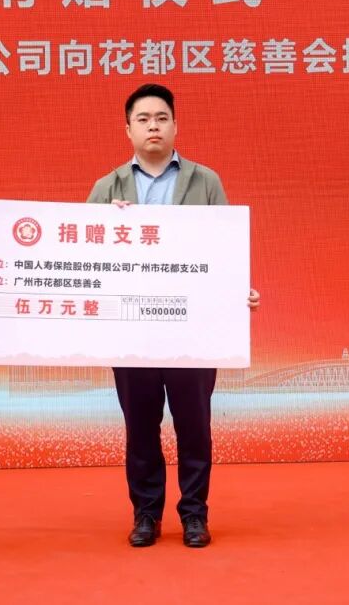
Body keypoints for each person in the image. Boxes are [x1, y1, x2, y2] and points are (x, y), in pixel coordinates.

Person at [86, 83, 260, 548]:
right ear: (128, 129)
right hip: (132, 331)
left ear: (175, 126)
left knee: (194, 426)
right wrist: (108, 228)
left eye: (161, 118)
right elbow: (84, 260)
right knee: (140, 429)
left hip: (193, 330)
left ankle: (194, 515)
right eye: (143, 119)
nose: (153, 126)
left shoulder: (205, 181)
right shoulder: (107, 188)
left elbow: (224, 251)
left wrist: (239, 291)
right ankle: (146, 515)